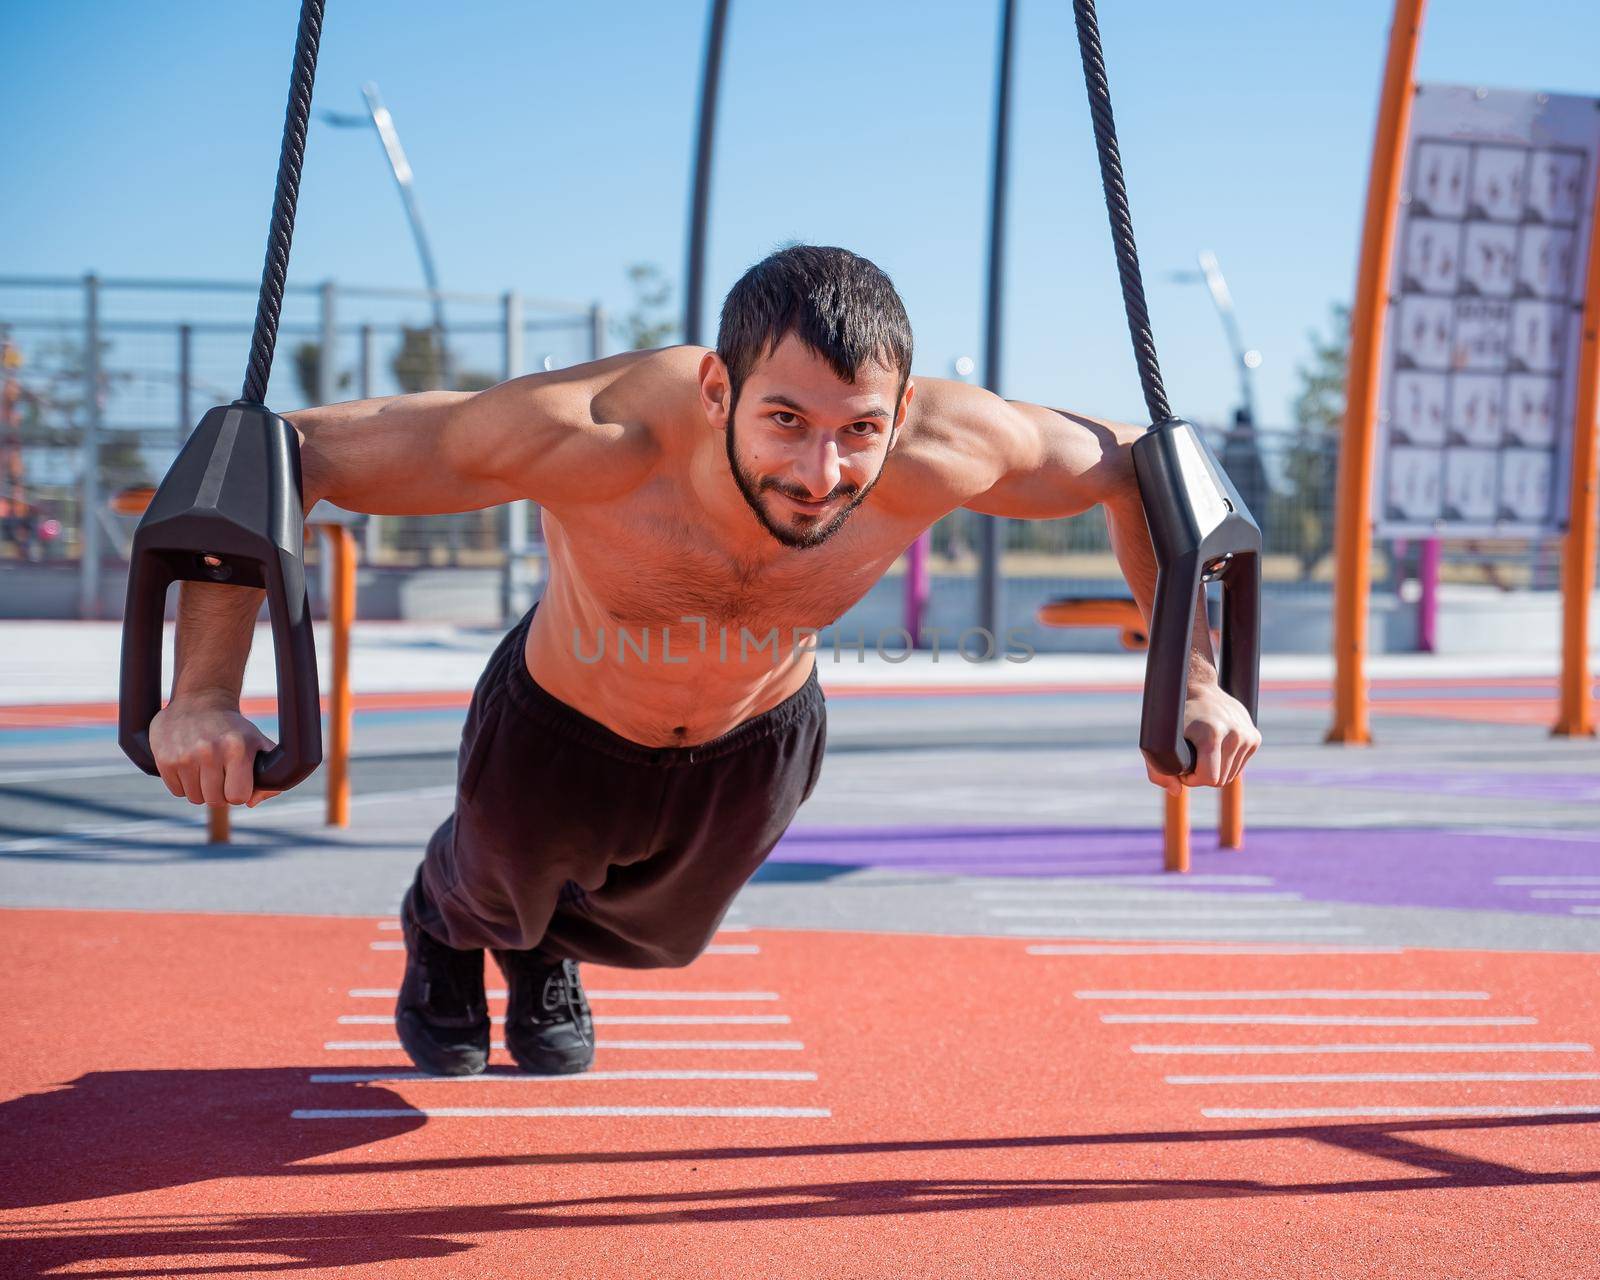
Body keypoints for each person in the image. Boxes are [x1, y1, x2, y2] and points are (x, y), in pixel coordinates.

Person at [149, 245, 1260, 1077]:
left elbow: (1143, 472)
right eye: (784, 419)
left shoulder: (950, 445)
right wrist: (200, 692)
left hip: (757, 732)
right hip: (559, 716)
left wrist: (1199, 676)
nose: (822, 470)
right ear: (720, 388)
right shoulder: (591, 432)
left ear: (903, 409)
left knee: (663, 937)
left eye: (858, 429)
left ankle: (537, 950)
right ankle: (445, 924)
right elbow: (281, 453)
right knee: (495, 883)